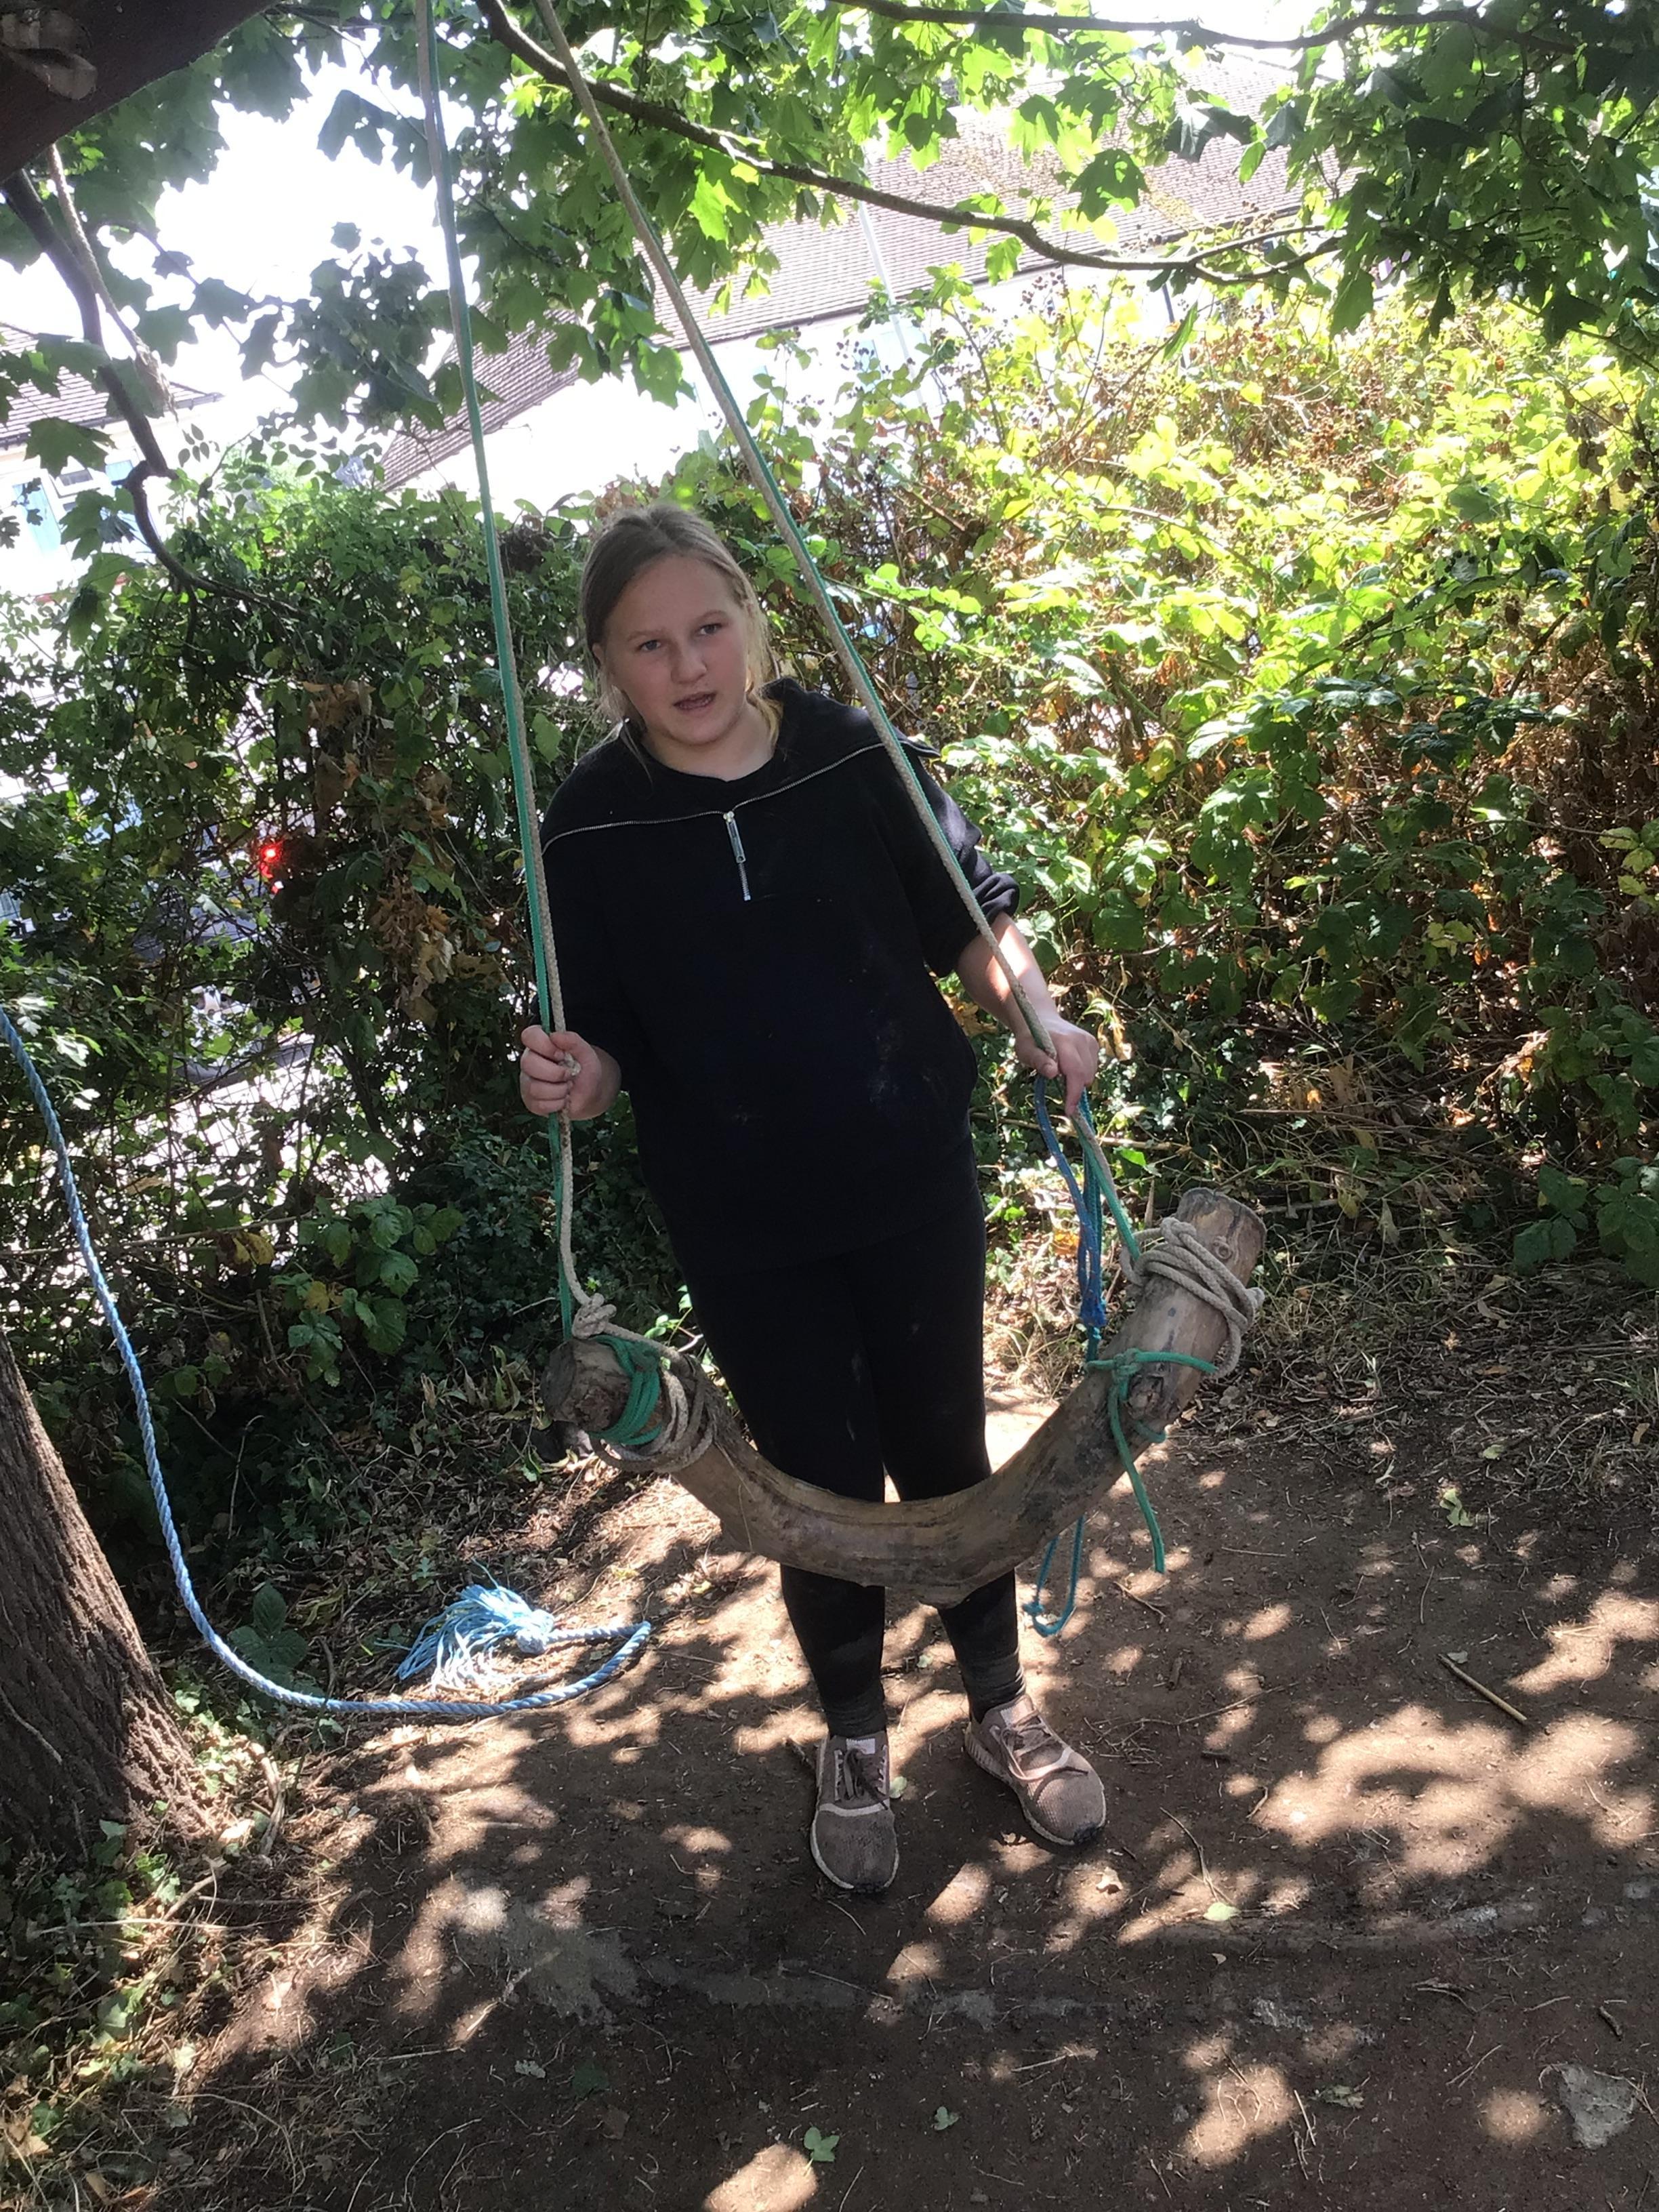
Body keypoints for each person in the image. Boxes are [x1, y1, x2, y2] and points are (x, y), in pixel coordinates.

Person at [519, 503, 1105, 1896]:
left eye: (708, 626)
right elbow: (601, 1047)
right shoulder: (589, 823)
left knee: (946, 1449)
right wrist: (571, 1077)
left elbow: (970, 920)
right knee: (816, 1484)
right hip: (743, 1221)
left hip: (909, 1173)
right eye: (649, 645)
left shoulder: (852, 753)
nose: (688, 664)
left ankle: (1001, 1708)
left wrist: (1035, 1011)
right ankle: (854, 1735)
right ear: (607, 663)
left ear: (751, 618)